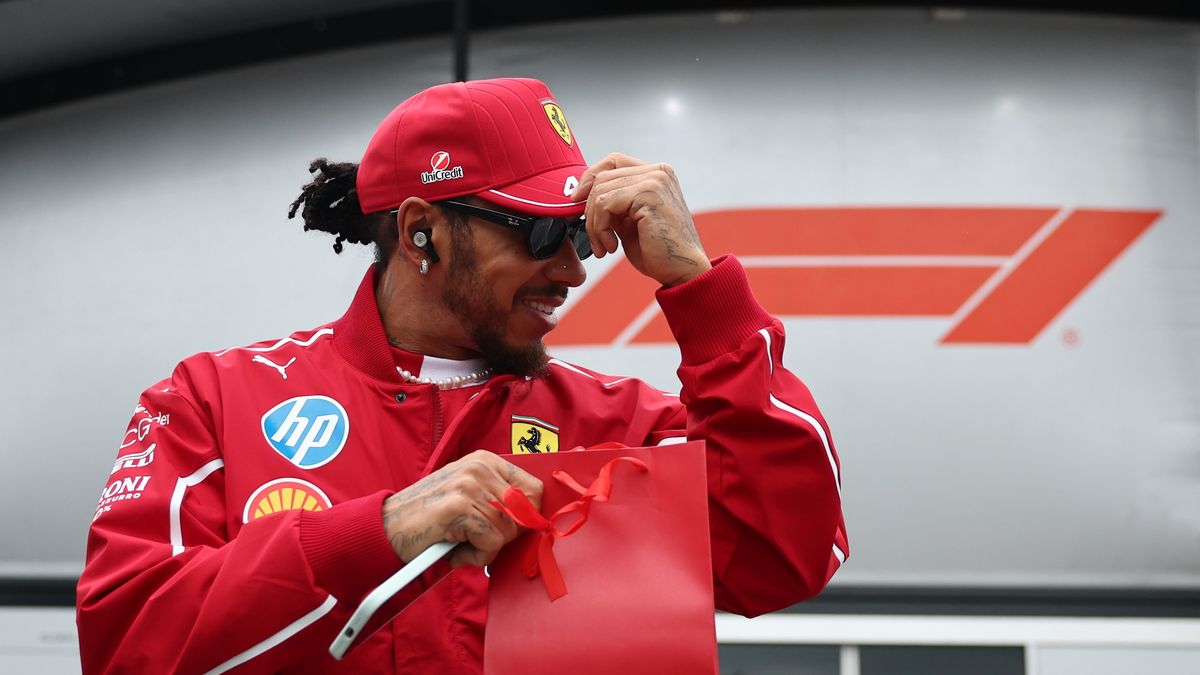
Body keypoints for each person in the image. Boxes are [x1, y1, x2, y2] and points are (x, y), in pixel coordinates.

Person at [76, 77, 848, 674]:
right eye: (545, 232)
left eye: (581, 232)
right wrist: (373, 535)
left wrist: (702, 292)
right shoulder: (215, 399)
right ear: (422, 231)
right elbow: (125, 643)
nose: (575, 269)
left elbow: (785, 552)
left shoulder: (619, 425)